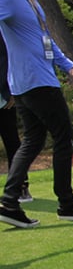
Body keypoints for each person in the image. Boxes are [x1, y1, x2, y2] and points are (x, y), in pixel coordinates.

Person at [0, 0, 73, 229]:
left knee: (33, 140)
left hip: (27, 83)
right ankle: (66, 204)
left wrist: (68, 65)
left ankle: (10, 202)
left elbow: (44, 39)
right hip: (35, 83)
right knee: (64, 137)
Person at [0, 31, 29, 203]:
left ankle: (20, 187)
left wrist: (9, 90)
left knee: (11, 140)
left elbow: (6, 59)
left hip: (2, 98)